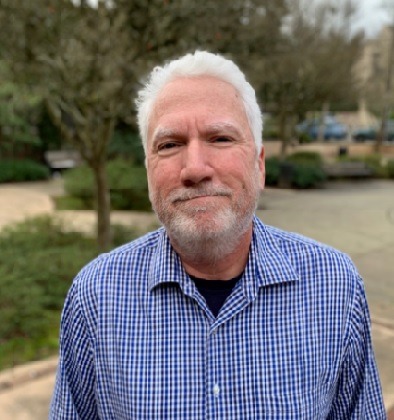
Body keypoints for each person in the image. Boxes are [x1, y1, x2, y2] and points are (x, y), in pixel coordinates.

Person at [50, 51, 385, 419]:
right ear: (149, 171)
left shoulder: (335, 286)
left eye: (221, 138)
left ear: (259, 164)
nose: (194, 168)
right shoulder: (96, 298)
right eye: (170, 144)